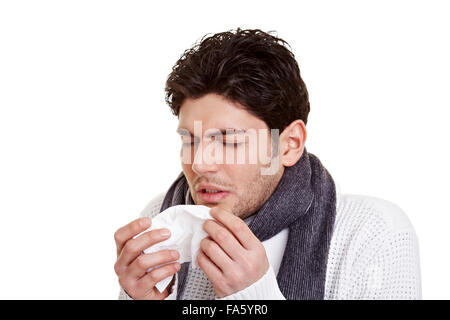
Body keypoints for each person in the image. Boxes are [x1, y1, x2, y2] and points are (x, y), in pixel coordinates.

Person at [114, 28, 421, 300]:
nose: (200, 164)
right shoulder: (163, 220)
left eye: (229, 140)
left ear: (289, 145)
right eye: (189, 140)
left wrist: (254, 295)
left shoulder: (370, 232)